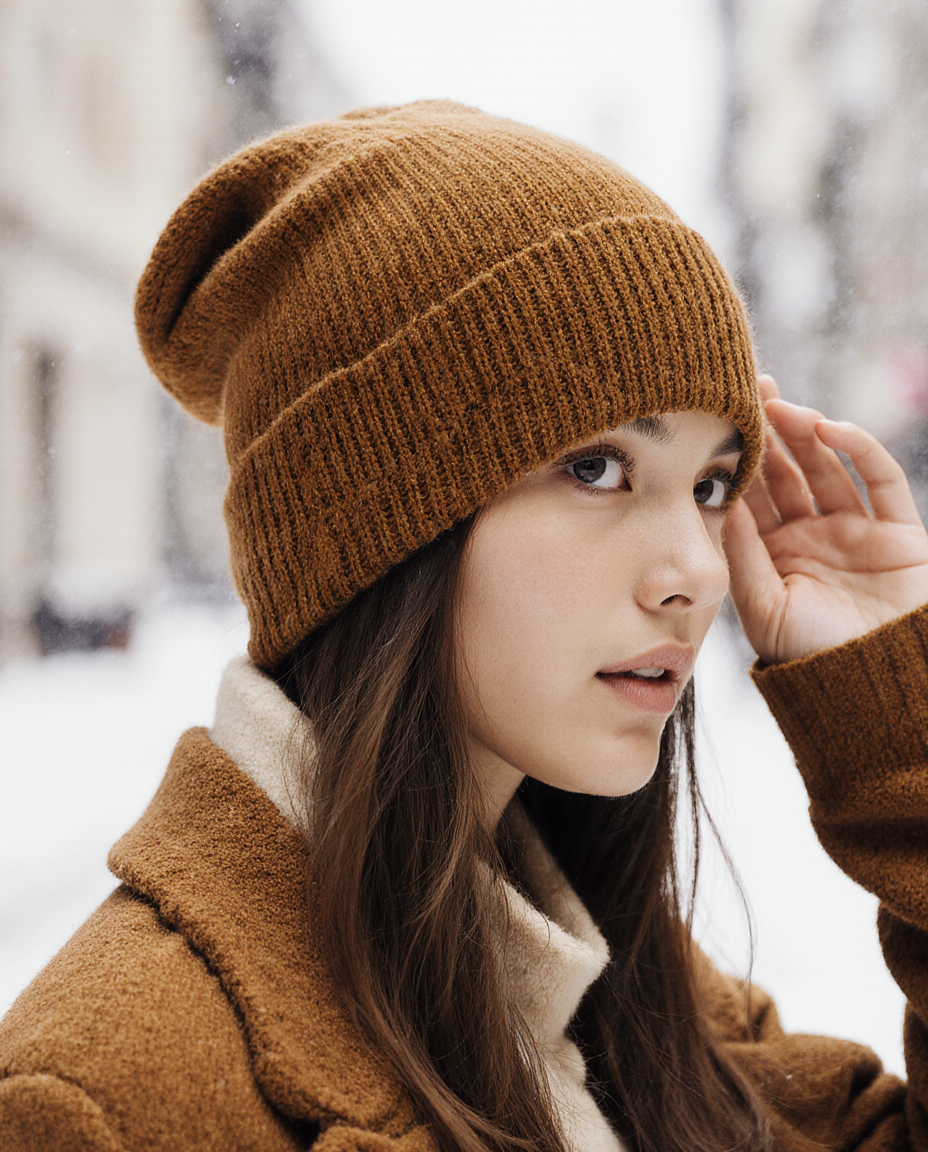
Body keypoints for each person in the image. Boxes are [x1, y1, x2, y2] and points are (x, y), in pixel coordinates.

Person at [1, 100, 927, 1152]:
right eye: (597, 467)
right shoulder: (103, 1100)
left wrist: (897, 732)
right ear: (375, 527)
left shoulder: (617, 984)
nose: (699, 574)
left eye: (712, 484)